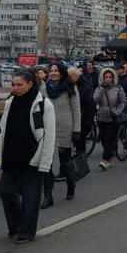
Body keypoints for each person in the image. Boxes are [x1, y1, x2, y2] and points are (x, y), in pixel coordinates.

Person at [0, 69, 55, 245]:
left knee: (30, 198)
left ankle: (26, 231)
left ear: (30, 84)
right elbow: (3, 130)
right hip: (11, 156)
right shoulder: (11, 102)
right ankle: (15, 224)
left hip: (32, 157)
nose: (16, 88)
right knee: (5, 192)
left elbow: (49, 135)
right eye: (14, 84)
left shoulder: (43, 105)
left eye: (19, 85)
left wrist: (45, 162)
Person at [41, 63, 81, 208]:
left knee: (65, 162)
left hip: (65, 128)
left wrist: (77, 130)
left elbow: (76, 110)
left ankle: (71, 185)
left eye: (56, 70)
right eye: (51, 71)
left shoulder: (70, 87)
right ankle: (48, 195)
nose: (53, 73)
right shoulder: (45, 88)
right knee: (47, 164)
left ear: (62, 72)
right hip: (48, 128)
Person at [93, 67, 126, 170]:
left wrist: (117, 112)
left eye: (110, 77)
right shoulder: (99, 88)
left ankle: (105, 159)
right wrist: (102, 89)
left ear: (113, 78)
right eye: (106, 77)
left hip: (112, 117)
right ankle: (110, 157)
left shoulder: (118, 88)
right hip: (101, 117)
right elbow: (95, 101)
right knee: (103, 138)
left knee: (109, 138)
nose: (108, 79)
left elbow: (123, 102)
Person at [68, 67, 96, 154]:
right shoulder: (67, 86)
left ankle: (80, 161)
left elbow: (90, 106)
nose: (68, 79)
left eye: (70, 76)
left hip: (82, 120)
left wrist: (89, 122)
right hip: (69, 119)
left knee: (80, 143)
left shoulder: (85, 88)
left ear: (77, 76)